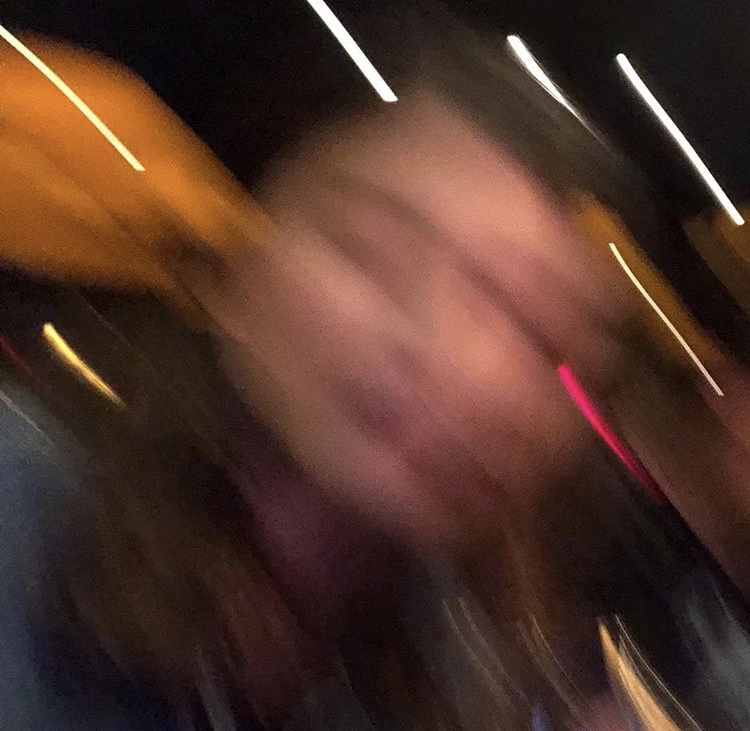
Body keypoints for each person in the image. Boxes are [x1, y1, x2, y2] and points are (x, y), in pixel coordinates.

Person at [3, 5, 750, 730]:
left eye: (536, 330)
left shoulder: (458, 657)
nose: (461, 359)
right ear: (237, 265)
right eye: (375, 255)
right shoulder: (26, 506)